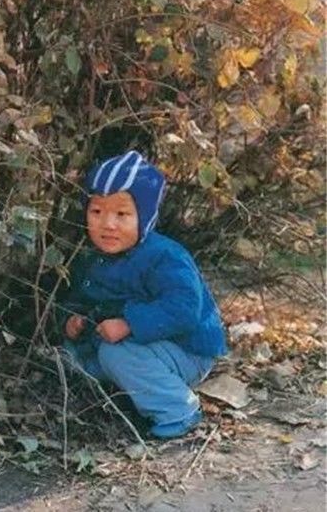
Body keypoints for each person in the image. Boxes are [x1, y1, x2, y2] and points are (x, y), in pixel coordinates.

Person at [61, 150, 227, 439]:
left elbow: (184, 308)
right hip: (143, 348)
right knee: (76, 353)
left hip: (187, 349)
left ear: (145, 216)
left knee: (115, 354)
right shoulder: (93, 258)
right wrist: (71, 320)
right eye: (97, 211)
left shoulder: (163, 256)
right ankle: (135, 395)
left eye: (122, 214)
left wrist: (128, 324)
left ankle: (178, 408)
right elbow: (82, 299)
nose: (108, 224)